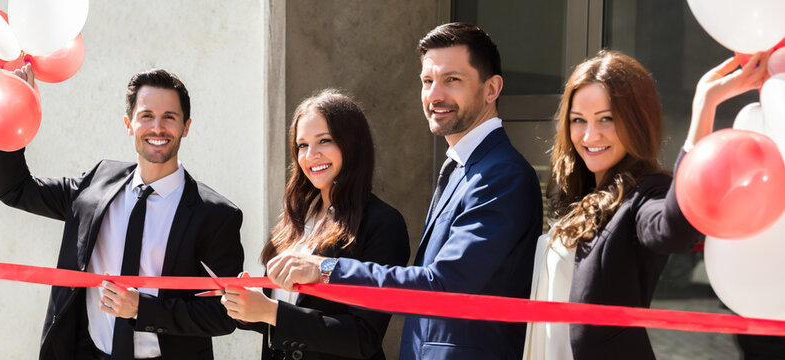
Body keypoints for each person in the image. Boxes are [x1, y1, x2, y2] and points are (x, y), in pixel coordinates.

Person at [265, 23, 544, 359]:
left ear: (491, 89)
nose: (435, 95)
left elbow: (441, 286)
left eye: (451, 80)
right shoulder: (461, 168)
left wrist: (324, 269)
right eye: (428, 81)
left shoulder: (501, 175)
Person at [523, 50, 767, 359]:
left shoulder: (646, 192)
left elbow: (673, 230)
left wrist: (704, 105)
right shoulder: (575, 192)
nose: (589, 134)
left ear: (636, 122)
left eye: (606, 119)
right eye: (578, 120)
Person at [0, 66, 244, 360]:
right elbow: (15, 189)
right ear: (129, 123)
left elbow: (225, 315)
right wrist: (12, 110)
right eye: (146, 116)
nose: (157, 127)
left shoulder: (216, 215)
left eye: (169, 117)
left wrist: (142, 309)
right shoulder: (97, 184)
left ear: (186, 126)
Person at [219, 89, 411, 359]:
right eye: (302, 145)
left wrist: (270, 311)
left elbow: (364, 337)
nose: (311, 155)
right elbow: (283, 319)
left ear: (352, 144)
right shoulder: (298, 216)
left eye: (324, 141)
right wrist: (247, 309)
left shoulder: (383, 223)